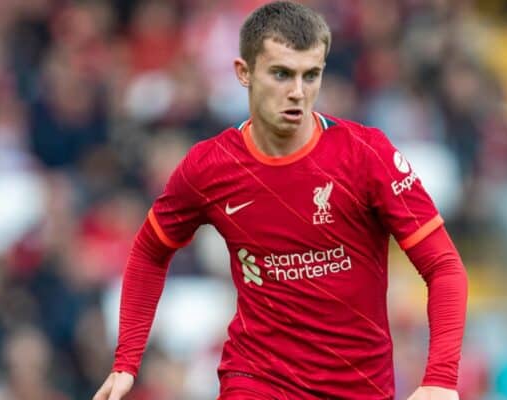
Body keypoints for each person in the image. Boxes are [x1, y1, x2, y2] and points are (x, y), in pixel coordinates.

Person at [93, 2, 468, 399]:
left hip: (360, 388)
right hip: (257, 381)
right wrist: (126, 362)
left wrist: (440, 380)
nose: (297, 92)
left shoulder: (366, 155)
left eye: (311, 76)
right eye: (282, 74)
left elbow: (443, 266)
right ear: (244, 72)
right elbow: (150, 251)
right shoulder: (209, 167)